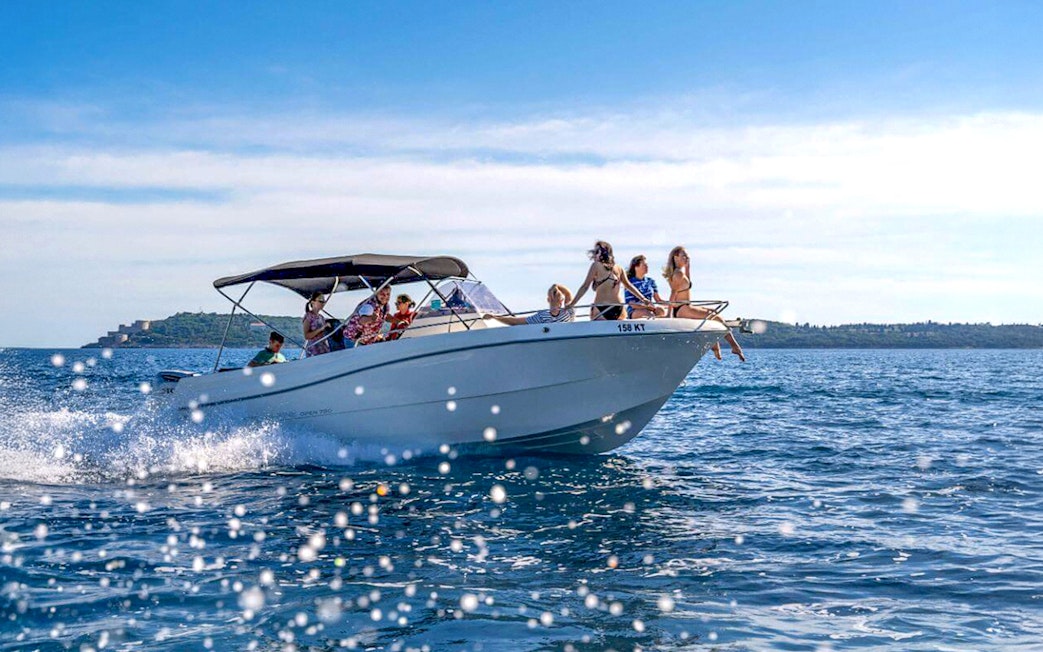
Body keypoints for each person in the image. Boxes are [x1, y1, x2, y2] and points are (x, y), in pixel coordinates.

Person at [664, 245, 745, 362]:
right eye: (683, 256)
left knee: (713, 313)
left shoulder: (681, 273)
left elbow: (687, 285)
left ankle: (716, 346)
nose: (686, 258)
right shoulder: (677, 274)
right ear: (675, 257)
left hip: (686, 306)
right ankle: (734, 346)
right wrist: (669, 314)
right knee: (716, 318)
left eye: (687, 256)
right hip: (682, 309)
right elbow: (673, 294)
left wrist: (688, 268)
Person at [568, 240, 652, 320]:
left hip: (601, 309)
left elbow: (585, 286)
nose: (594, 255)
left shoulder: (596, 266)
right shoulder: (619, 268)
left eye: (596, 252)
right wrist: (643, 298)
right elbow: (629, 286)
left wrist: (572, 304)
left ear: (603, 253)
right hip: (618, 308)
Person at [484, 284, 575, 325]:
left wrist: (556, 285)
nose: (555, 296)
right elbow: (515, 322)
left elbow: (568, 294)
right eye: (553, 295)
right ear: (548, 299)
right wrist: (495, 317)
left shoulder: (567, 312)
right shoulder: (542, 316)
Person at [303, 292, 330, 357]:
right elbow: (307, 336)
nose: (323, 303)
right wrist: (321, 328)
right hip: (314, 350)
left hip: (323, 348)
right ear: (313, 302)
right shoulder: (308, 316)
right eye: (320, 301)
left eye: (324, 302)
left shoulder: (321, 317)